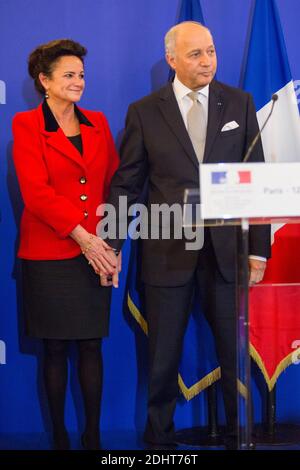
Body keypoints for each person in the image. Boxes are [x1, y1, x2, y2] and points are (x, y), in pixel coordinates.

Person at [103, 22, 271, 447]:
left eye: (211, 51)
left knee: (235, 355)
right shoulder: (144, 111)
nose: (207, 61)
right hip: (167, 253)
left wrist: (258, 252)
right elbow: (128, 183)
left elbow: (257, 179)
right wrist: (110, 244)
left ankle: (241, 436)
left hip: (226, 252)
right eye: (196, 53)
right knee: (162, 358)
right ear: (172, 59)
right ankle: (159, 442)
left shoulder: (239, 102)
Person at [12, 39, 120, 450]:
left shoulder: (97, 122)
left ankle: (92, 436)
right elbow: (36, 193)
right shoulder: (25, 124)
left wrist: (109, 242)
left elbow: (113, 185)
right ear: (44, 80)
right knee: (54, 348)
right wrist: (83, 237)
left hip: (96, 252)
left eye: (81, 75)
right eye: (69, 75)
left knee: (91, 345)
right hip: (50, 254)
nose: (78, 82)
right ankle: (59, 436)